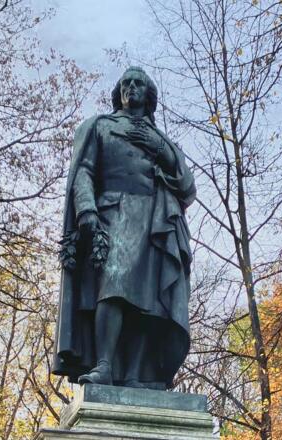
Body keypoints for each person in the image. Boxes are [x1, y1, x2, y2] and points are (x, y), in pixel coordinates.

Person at [52, 66, 196, 390]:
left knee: (150, 301)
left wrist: (160, 149)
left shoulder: (163, 142)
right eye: (126, 83)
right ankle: (104, 365)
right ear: (119, 92)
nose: (131, 87)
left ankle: (136, 373)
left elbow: (187, 188)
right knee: (114, 287)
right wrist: (86, 209)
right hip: (113, 213)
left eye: (139, 84)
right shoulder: (101, 127)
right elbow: (85, 172)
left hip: (155, 222)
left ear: (149, 95)